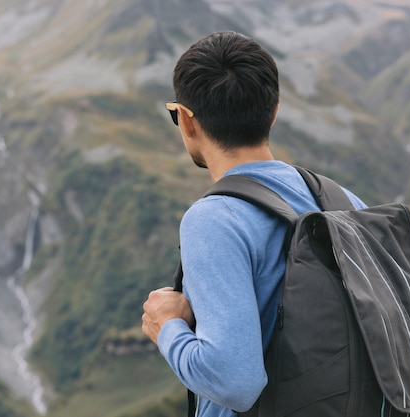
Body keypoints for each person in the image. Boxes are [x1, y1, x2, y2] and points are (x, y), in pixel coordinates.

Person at [141, 31, 366, 417]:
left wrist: (168, 328)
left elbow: (235, 383)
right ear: (274, 110)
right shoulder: (346, 202)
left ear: (187, 121)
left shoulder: (214, 220)